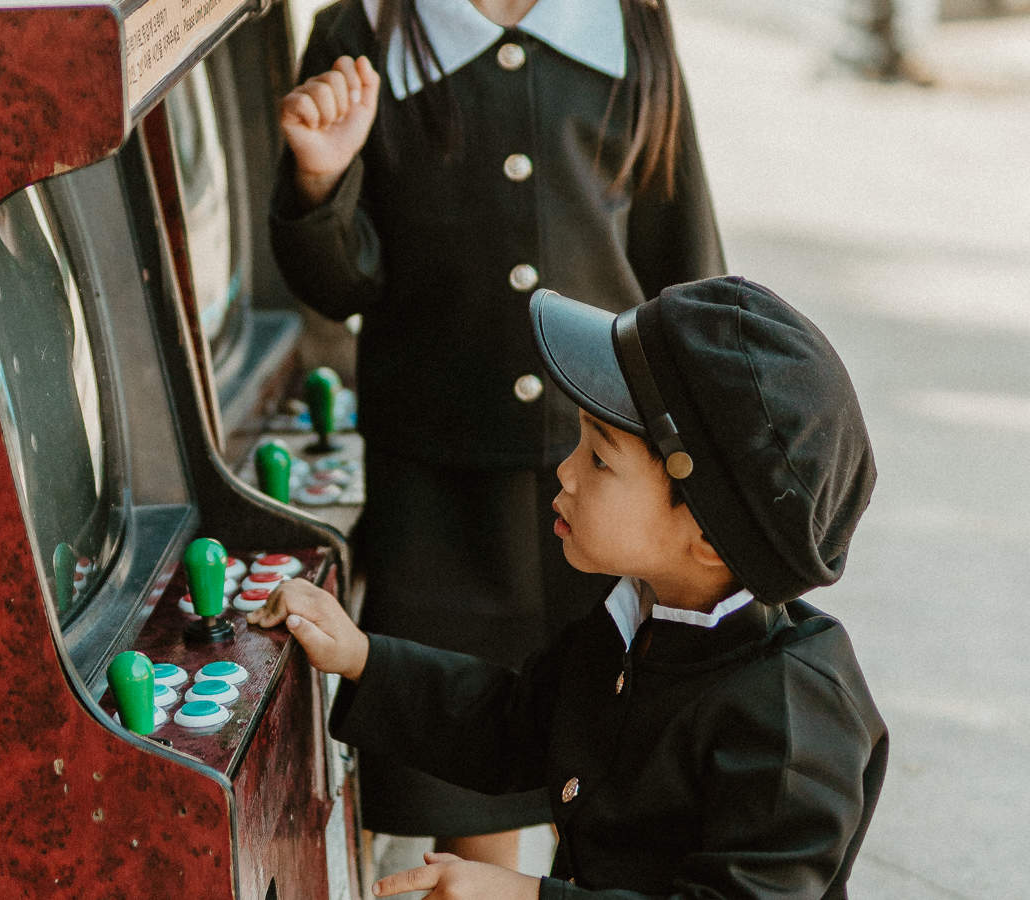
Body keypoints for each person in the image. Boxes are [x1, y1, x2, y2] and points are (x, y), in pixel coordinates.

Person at [250, 275, 887, 898]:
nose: (566, 471)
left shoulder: (791, 721)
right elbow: (515, 723)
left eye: (600, 459)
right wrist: (359, 657)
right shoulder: (637, 615)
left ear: (709, 537)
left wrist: (526, 896)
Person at [268, 0, 725, 867]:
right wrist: (321, 183)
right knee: (466, 774)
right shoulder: (360, 34)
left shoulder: (626, 22)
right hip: (440, 488)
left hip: (613, 470)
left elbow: (681, 249)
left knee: (626, 761)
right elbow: (341, 282)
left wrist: (704, 454)